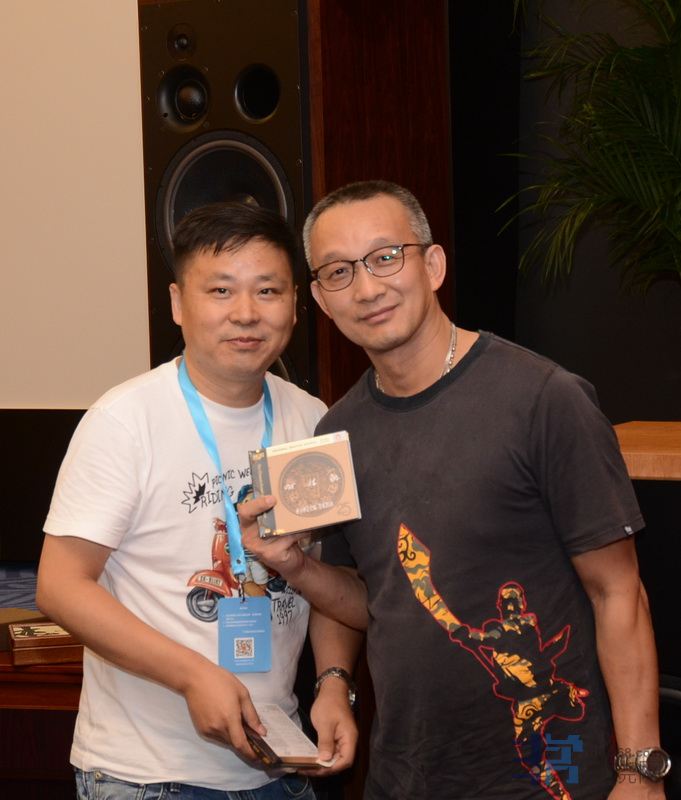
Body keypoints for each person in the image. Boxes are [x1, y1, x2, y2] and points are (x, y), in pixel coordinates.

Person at [240, 180, 668, 800]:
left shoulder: (544, 400)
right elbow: (374, 602)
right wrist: (295, 569)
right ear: (322, 300)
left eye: (386, 257)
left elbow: (619, 592)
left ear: (433, 265)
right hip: (405, 774)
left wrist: (639, 772)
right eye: (339, 271)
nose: (367, 287)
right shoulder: (337, 433)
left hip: (553, 774)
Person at [36, 202, 357, 800]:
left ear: (294, 304)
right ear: (179, 303)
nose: (246, 312)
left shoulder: (313, 421)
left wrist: (334, 682)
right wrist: (191, 676)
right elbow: (60, 586)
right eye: (221, 290)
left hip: (282, 767)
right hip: (145, 776)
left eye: (267, 290)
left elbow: (331, 580)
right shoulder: (125, 419)